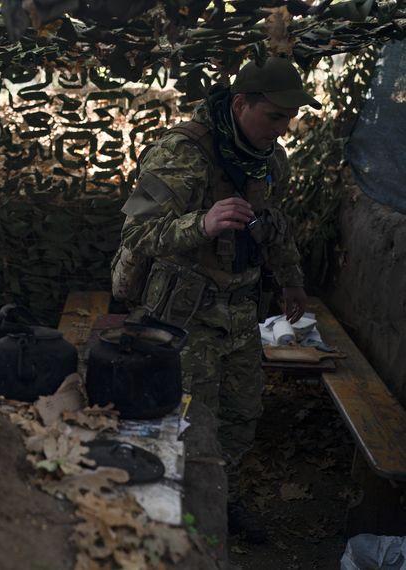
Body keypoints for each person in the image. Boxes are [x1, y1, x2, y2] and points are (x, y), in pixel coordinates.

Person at [115, 57, 318, 543]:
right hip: (184, 314)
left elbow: (273, 224)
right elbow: (136, 232)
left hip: (241, 310)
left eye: (290, 118)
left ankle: (218, 502)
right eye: (274, 116)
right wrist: (201, 224)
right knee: (184, 422)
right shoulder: (182, 153)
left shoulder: (268, 158)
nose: (283, 128)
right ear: (241, 103)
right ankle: (176, 521)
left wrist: (291, 279)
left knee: (240, 418)